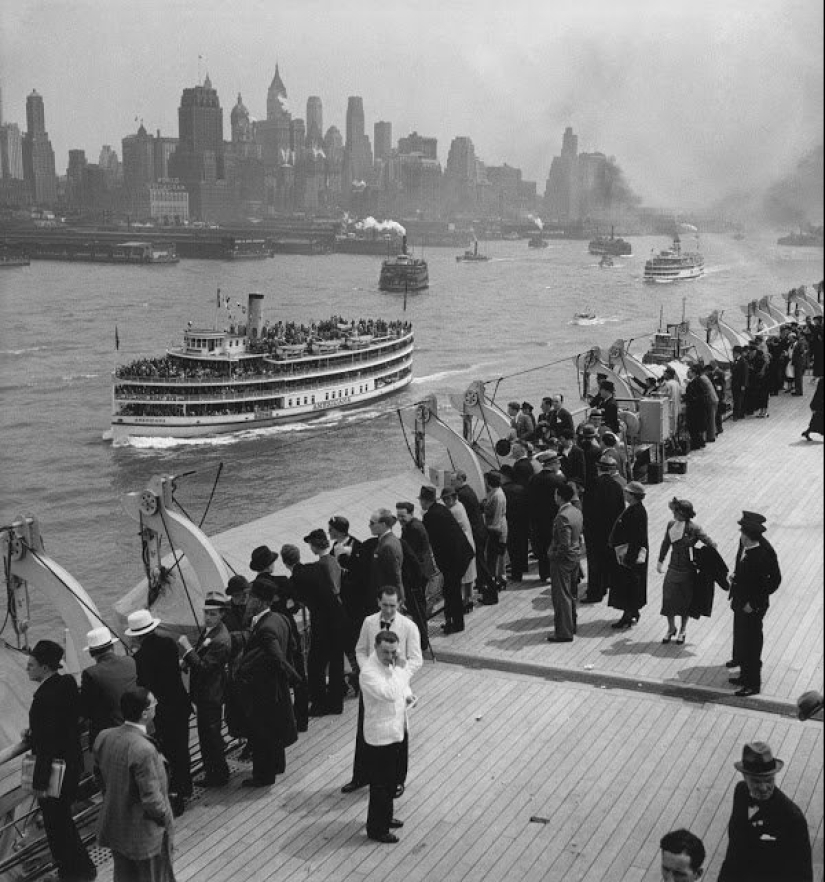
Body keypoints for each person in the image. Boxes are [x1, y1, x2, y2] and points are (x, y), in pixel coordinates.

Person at [25, 639, 97, 882]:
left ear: (45, 668)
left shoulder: (42, 699)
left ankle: (74, 872)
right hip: (72, 763)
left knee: (57, 827)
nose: (27, 668)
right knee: (64, 822)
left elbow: (46, 745)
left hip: (54, 771)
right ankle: (80, 869)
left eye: (31, 665)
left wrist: (39, 782)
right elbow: (67, 721)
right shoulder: (66, 683)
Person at [341, 586, 422, 796]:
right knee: (365, 730)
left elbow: (416, 659)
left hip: (396, 685)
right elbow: (360, 649)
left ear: (400, 604)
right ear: (378, 602)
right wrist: (368, 668)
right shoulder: (369, 622)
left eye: (392, 606)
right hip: (372, 685)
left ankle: (397, 780)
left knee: (398, 735)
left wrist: (400, 674)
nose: (388, 610)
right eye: (384, 605)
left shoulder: (409, 626)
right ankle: (361, 776)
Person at [94, 687, 175, 882]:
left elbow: (99, 777)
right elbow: (152, 799)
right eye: (154, 703)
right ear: (145, 713)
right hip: (146, 836)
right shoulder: (144, 748)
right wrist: (165, 818)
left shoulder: (104, 736)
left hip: (117, 826)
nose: (156, 706)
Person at [235, 579, 302, 786]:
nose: (247, 602)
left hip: (264, 687)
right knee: (275, 726)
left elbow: (277, 657)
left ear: (259, 601)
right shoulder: (280, 618)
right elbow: (290, 647)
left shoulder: (265, 629)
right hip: (276, 686)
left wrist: (295, 679)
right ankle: (277, 764)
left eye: (251, 598)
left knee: (261, 732)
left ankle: (263, 776)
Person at [126, 609, 191, 816]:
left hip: (161, 710)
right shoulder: (169, 644)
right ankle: (186, 789)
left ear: (136, 635)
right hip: (180, 704)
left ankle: (175, 797)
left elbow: (144, 684)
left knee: (168, 754)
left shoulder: (140, 657)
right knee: (182, 749)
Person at [718, 742, 812, 881]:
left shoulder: (792, 818)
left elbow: (803, 873)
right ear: (744, 777)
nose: (763, 788)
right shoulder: (741, 792)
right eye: (756, 781)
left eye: (769, 780)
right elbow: (734, 848)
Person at [359, 631, 415, 844]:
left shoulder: (389, 664)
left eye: (393, 652)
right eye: (386, 652)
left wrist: (407, 694)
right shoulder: (369, 672)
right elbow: (389, 693)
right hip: (380, 737)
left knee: (393, 779)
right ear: (376, 647)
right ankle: (377, 828)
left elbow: (399, 686)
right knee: (380, 784)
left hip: (396, 730)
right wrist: (402, 668)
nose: (390, 656)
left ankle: (386, 816)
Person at [281, 543, 347, 716]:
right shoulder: (316, 567)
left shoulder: (295, 580)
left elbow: (294, 602)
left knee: (315, 663)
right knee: (336, 660)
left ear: (285, 562)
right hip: (338, 615)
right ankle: (336, 702)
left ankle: (319, 704)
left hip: (323, 622)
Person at [178, 592, 231, 787]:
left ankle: (218, 776)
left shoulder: (220, 639)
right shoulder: (210, 631)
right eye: (206, 613)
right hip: (206, 694)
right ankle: (215, 772)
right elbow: (201, 655)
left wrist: (186, 649)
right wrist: (187, 660)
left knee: (211, 737)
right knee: (208, 736)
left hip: (211, 695)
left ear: (222, 614)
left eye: (213, 614)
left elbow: (204, 667)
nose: (208, 617)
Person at [727, 511, 781, 697]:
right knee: (744, 641)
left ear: (748, 537)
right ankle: (745, 676)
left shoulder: (760, 556)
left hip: (751, 608)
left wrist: (755, 604)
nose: (740, 536)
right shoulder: (750, 552)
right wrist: (736, 577)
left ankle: (753, 684)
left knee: (752, 645)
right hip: (742, 603)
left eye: (742, 533)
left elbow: (771, 582)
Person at [656, 500, 715, 645]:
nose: (673, 513)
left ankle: (682, 629)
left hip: (688, 570)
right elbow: (666, 543)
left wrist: (705, 556)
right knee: (668, 599)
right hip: (672, 567)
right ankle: (671, 628)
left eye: (676, 511)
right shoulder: (671, 525)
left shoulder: (694, 528)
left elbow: (710, 543)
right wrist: (660, 560)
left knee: (685, 601)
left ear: (683, 513)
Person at [419, 485, 474, 634]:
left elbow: (428, 540)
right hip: (461, 555)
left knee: (451, 591)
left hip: (453, 560)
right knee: (451, 590)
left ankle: (455, 623)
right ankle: (454, 621)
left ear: (424, 501)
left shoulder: (430, 516)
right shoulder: (441, 508)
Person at [79, 626, 137, 749]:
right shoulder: (130, 661)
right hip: (137, 728)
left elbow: (85, 710)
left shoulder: (91, 673)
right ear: (112, 646)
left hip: (111, 737)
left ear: (91, 653)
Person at [581, 455, 626, 604]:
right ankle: (606, 586)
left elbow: (586, 509)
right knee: (608, 560)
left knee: (594, 564)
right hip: (610, 532)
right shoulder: (617, 487)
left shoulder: (593, 484)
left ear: (599, 468)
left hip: (594, 532)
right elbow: (621, 511)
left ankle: (595, 593)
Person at [607, 481, 649, 628]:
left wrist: (629, 558)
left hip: (630, 556)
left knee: (629, 586)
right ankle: (631, 612)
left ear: (633, 495)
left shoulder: (636, 512)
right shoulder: (634, 509)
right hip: (627, 554)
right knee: (629, 586)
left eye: (627, 492)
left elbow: (637, 538)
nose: (624, 494)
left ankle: (629, 614)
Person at [546, 483, 583, 643]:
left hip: (562, 561)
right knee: (572, 594)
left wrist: (553, 555)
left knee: (561, 596)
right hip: (575, 557)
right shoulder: (576, 511)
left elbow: (564, 543)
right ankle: (571, 624)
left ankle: (563, 632)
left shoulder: (562, 516)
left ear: (560, 497)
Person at [527, 451, 566, 584]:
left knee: (542, 547)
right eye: (558, 462)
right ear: (553, 464)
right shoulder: (558, 480)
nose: (559, 465)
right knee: (554, 545)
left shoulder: (533, 479)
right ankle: (554, 573)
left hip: (538, 519)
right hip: (554, 517)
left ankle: (544, 573)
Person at [440, 485, 477, 611]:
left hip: (462, 547)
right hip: (468, 543)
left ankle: (464, 602)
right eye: (444, 499)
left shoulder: (453, 511)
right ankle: (469, 600)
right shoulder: (459, 505)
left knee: (463, 577)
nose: (445, 502)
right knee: (469, 576)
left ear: (454, 497)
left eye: (447, 499)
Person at [481, 470, 507, 603]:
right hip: (498, 528)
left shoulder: (497, 496)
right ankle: (498, 580)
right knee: (495, 559)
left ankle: (493, 587)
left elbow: (496, 519)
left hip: (495, 530)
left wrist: (486, 529)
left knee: (493, 560)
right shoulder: (496, 493)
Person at [369, 509, 404, 599]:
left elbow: (395, 576)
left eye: (372, 523)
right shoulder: (387, 540)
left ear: (383, 525)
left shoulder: (387, 546)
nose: (369, 526)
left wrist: (398, 598)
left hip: (390, 597)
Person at [305, 528, 342, 596]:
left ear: (315, 545)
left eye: (310, 545)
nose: (310, 548)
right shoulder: (334, 559)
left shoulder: (319, 565)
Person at [730, 345, 749, 421]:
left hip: (740, 384)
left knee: (738, 400)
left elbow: (745, 374)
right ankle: (738, 414)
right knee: (736, 399)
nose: (732, 354)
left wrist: (743, 385)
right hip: (735, 383)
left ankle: (736, 415)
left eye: (734, 352)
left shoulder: (743, 361)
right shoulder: (735, 361)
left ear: (737, 353)